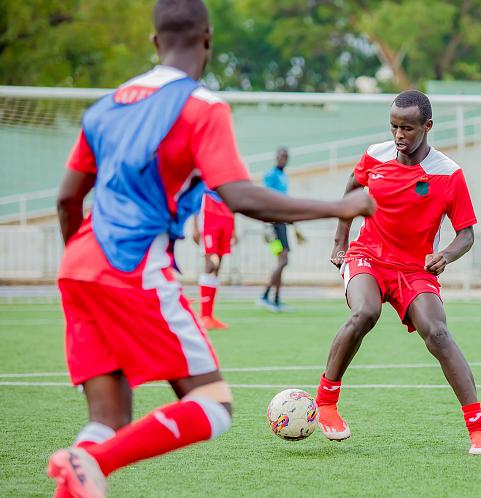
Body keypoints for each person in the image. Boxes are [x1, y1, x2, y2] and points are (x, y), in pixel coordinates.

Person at [48, 1, 375, 497]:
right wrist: (339, 205)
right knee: (212, 405)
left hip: (77, 264)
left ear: (155, 42)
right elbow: (240, 195)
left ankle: (85, 464)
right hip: (133, 265)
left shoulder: (107, 105)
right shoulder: (202, 106)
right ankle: (92, 461)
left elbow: (67, 199)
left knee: (107, 420)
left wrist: (82, 262)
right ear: (207, 39)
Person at [314, 90, 481, 455]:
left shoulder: (448, 174)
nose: (399, 135)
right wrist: (340, 242)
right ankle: (326, 403)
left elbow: (466, 234)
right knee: (365, 312)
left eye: (408, 128)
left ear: (427, 126)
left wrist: (446, 255)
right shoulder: (375, 155)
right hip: (368, 256)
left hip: (415, 269)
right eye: (394, 126)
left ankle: (479, 428)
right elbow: (352, 188)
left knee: (438, 333)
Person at [258, 147, 305, 311]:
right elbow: (265, 197)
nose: (283, 159)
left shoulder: (284, 176)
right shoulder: (271, 175)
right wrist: (267, 223)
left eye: (285, 156)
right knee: (283, 260)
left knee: (282, 261)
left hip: (282, 223)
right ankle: (265, 295)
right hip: (274, 224)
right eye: (280, 156)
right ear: (276, 157)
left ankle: (276, 298)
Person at [193, 188, 234, 330]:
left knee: (219, 266)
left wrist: (234, 227)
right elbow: (196, 195)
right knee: (211, 264)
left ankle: (209, 315)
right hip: (209, 212)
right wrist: (195, 226)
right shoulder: (205, 180)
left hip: (227, 213)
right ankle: (204, 315)